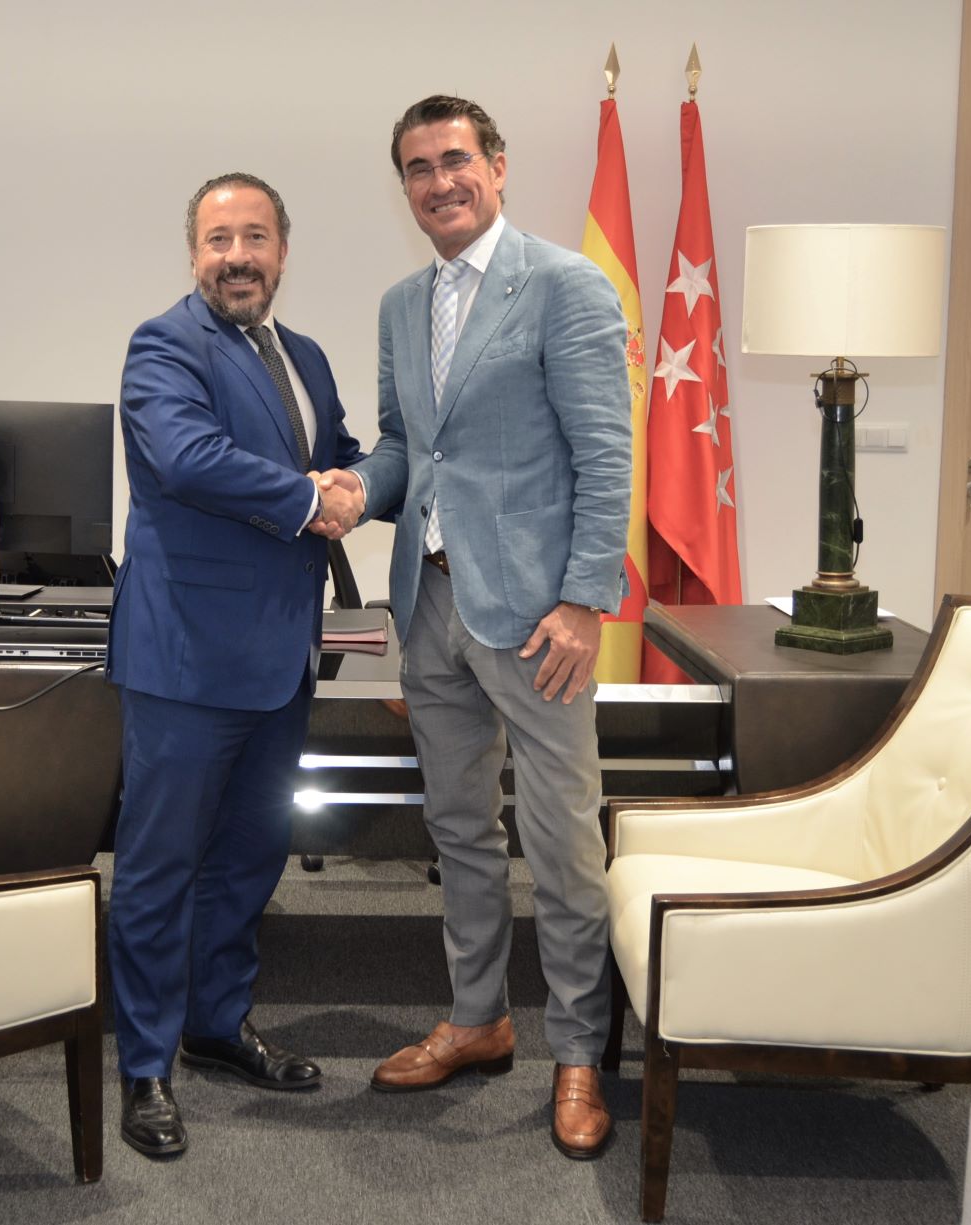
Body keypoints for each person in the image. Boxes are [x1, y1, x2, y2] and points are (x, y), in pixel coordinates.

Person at [318, 96, 630, 1158]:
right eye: (417, 167)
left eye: (455, 159)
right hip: (430, 603)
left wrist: (584, 600)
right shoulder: (401, 305)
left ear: (496, 166)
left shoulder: (563, 284)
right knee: (457, 827)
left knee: (562, 842)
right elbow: (407, 448)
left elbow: (604, 454)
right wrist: (356, 491)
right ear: (403, 186)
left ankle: (577, 1051)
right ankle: (478, 1017)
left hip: (539, 619)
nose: (438, 181)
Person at [105, 172, 364, 1158]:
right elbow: (187, 457)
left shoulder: (304, 356)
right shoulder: (163, 346)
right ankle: (144, 1064)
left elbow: (343, 455)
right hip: (184, 659)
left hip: (280, 659)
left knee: (250, 857)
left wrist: (366, 482)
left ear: (282, 252)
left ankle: (214, 1023)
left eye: (254, 237)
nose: (237, 257)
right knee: (160, 867)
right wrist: (311, 499)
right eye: (218, 240)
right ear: (193, 254)